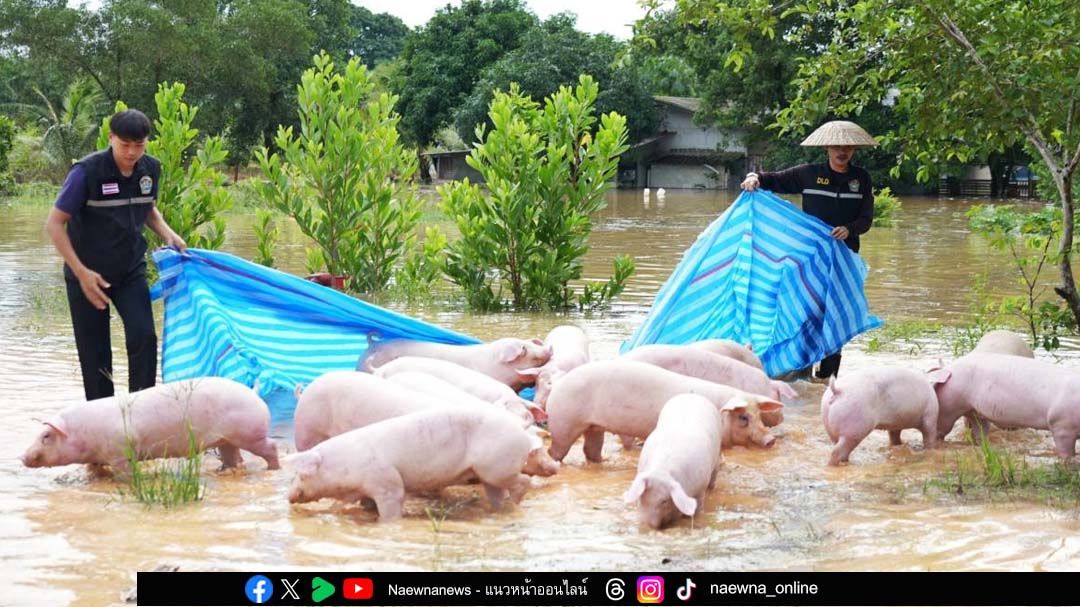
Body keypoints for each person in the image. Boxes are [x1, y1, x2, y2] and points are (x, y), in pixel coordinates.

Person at [45, 109, 187, 401]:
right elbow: (54, 224)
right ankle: (103, 423)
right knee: (95, 353)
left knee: (144, 337)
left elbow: (147, 208)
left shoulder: (151, 169)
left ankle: (141, 411)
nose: (132, 152)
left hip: (129, 269)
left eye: (140, 145)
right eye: (125, 144)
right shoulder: (86, 173)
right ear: (111, 138)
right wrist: (81, 273)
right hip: (86, 273)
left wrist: (169, 234)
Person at [740, 120, 876, 380]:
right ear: (827, 147)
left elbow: (866, 219)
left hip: (844, 263)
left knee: (835, 318)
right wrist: (754, 177)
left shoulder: (861, 179)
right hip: (809, 261)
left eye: (847, 147)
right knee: (806, 315)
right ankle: (801, 376)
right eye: (837, 146)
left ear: (854, 150)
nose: (842, 151)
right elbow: (775, 181)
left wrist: (849, 229)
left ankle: (827, 381)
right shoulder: (809, 174)